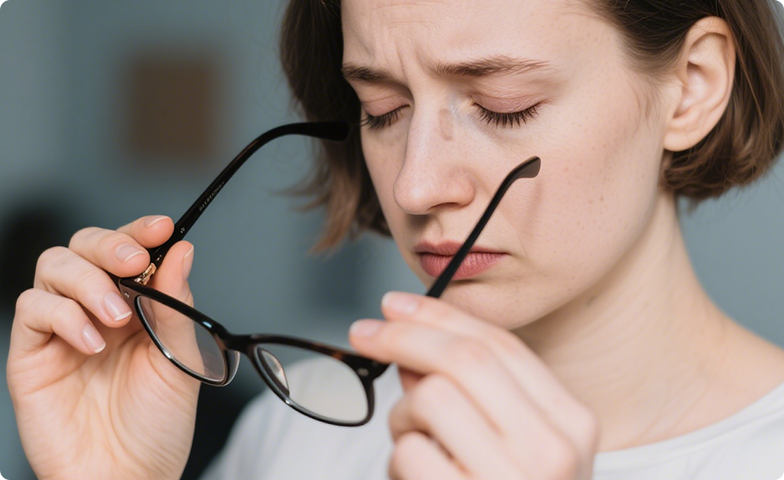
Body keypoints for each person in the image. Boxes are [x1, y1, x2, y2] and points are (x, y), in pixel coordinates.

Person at [7, 0, 784, 478]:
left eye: (503, 105)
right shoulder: (297, 428)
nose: (414, 187)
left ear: (693, 87)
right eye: (382, 110)